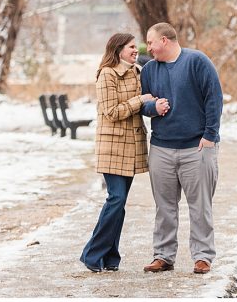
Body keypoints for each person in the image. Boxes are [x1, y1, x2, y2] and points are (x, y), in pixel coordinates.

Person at [140, 22, 224, 274]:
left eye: (151, 41)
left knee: (200, 206)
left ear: (164, 40)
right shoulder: (149, 70)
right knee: (164, 207)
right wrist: (153, 108)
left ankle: (202, 256)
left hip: (196, 147)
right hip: (161, 148)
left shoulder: (197, 61)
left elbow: (214, 98)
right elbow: (142, 104)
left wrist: (210, 136)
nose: (148, 47)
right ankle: (163, 256)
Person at [81, 33, 154, 272]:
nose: (136, 50)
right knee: (116, 198)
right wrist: (139, 100)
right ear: (118, 48)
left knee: (119, 204)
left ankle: (111, 257)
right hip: (111, 147)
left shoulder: (137, 71)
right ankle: (92, 254)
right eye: (132, 47)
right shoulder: (107, 74)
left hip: (132, 146)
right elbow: (111, 111)